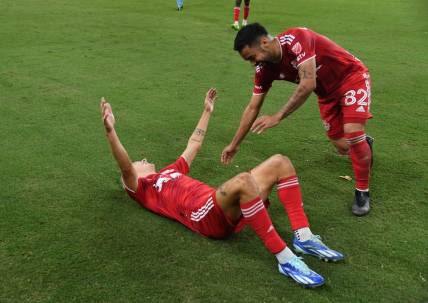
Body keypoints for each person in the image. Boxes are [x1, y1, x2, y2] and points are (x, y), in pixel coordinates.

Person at [100, 89, 344, 288]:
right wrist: (111, 132)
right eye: (137, 162)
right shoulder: (142, 188)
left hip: (216, 203)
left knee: (281, 162)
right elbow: (124, 166)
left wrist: (207, 112)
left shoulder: (169, 171)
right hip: (202, 215)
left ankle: (303, 237)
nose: (141, 159)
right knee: (243, 181)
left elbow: (194, 143)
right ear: (131, 180)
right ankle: (286, 259)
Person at [221, 23, 374, 216]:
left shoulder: (297, 38)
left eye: (253, 57)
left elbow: (308, 83)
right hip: (326, 94)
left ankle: (362, 191)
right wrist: (234, 144)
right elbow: (253, 107)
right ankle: (364, 143)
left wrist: (278, 116)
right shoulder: (264, 70)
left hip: (351, 77)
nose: (254, 63)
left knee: (353, 132)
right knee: (343, 146)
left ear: (264, 42)